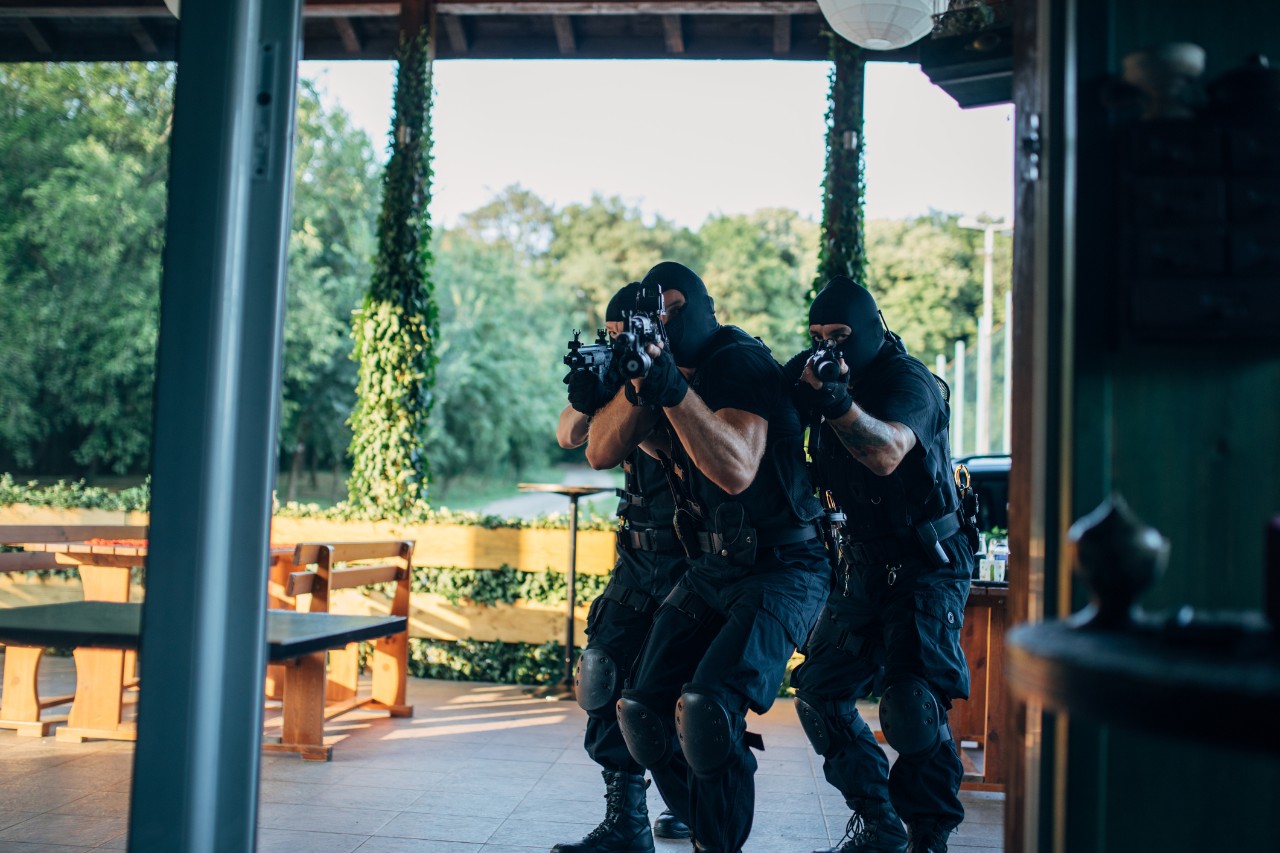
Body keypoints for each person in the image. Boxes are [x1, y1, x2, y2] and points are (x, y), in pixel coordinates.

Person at [584, 261, 830, 853]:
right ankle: (702, 824)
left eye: (673, 309)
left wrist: (667, 386)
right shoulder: (662, 368)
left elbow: (738, 469)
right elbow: (596, 448)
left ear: (697, 307)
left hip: (783, 569)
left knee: (707, 710)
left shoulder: (736, 360)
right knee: (641, 709)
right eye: (654, 312)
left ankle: (717, 842)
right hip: (713, 569)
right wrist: (628, 382)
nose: (663, 322)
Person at [785, 276, 976, 853]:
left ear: (871, 331)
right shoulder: (814, 374)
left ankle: (927, 838)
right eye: (818, 336)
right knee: (819, 693)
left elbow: (886, 451)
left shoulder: (907, 381)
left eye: (840, 336)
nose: (828, 349)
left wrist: (838, 403)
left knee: (911, 707)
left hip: (927, 562)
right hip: (864, 564)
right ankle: (879, 821)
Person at [552, 282, 692, 853]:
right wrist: (597, 393)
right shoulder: (616, 377)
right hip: (636, 556)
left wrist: (640, 390)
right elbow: (567, 434)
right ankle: (627, 822)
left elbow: (685, 447)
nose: (619, 344)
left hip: (691, 556)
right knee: (603, 673)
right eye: (611, 336)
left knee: (681, 692)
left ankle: (696, 800)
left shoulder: (685, 373)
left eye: (624, 334)